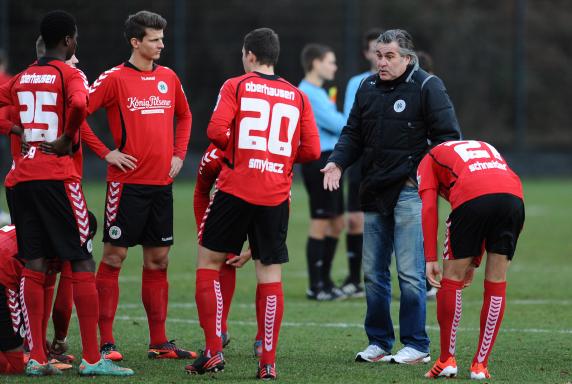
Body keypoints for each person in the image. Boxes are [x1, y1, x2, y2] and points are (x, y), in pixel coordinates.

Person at [0, 10, 133, 376]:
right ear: (69, 41)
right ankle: (93, 359)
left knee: (35, 265)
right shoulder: (70, 73)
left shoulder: (21, 77)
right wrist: (67, 137)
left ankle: (37, 357)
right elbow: (78, 105)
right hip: (58, 178)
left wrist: (15, 129)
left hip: (20, 180)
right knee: (81, 262)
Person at [186, 28, 320, 379]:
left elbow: (216, 131)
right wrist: (278, 160)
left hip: (236, 187)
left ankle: (214, 350)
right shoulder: (297, 95)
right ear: (274, 56)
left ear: (248, 54)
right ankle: (268, 363)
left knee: (209, 263)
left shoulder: (237, 85)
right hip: (275, 193)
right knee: (270, 274)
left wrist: (242, 152)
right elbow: (312, 150)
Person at [322, 29, 461, 364]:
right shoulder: (366, 87)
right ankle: (380, 342)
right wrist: (337, 162)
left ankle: (417, 345)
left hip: (409, 193)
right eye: (378, 55)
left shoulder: (428, 86)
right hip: (372, 190)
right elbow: (353, 131)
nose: (380, 62)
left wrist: (420, 177)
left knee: (411, 273)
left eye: (388, 56)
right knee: (373, 273)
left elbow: (448, 139)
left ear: (407, 58)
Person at [84, 10, 193, 361]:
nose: (162, 44)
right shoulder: (114, 78)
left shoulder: (169, 77)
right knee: (114, 257)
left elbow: (185, 115)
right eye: (154, 39)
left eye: (162, 38)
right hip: (125, 185)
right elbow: (78, 113)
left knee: (158, 261)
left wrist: (179, 154)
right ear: (136, 42)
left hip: (161, 185)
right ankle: (106, 342)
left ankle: (159, 342)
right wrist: (105, 152)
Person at [419, 140, 524, 380]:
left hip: (472, 198)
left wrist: (430, 258)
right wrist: (475, 261)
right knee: (497, 279)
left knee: (451, 279)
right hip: (514, 197)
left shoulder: (427, 159)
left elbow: (428, 208)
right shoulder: (482, 146)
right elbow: (493, 195)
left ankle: (446, 360)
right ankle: (480, 366)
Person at [193, 143, 256, 353]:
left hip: (267, 202)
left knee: (268, 261)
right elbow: (201, 191)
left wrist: (255, 248)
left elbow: (284, 197)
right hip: (231, 204)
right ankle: (219, 331)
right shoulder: (214, 154)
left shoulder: (266, 148)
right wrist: (205, 236)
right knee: (219, 259)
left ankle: (264, 341)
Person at [299, 44, 346, 301]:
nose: (334, 67)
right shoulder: (307, 93)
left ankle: (326, 281)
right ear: (316, 63)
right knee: (321, 221)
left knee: (337, 222)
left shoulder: (318, 92)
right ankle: (315, 285)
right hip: (319, 162)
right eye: (330, 61)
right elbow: (340, 124)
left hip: (332, 160)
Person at [340, 28, 383, 298]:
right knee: (355, 220)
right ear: (367, 53)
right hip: (360, 159)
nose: (378, 55)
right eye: (373, 49)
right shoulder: (357, 82)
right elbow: (349, 119)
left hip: (386, 161)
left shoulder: (402, 80)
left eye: (383, 50)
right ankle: (354, 279)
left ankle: (393, 277)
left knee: (394, 220)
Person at [416, 50, 439, 300]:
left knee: (422, 224)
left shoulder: (430, 92)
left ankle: (426, 280)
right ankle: (421, 279)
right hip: (418, 168)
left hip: (426, 169)